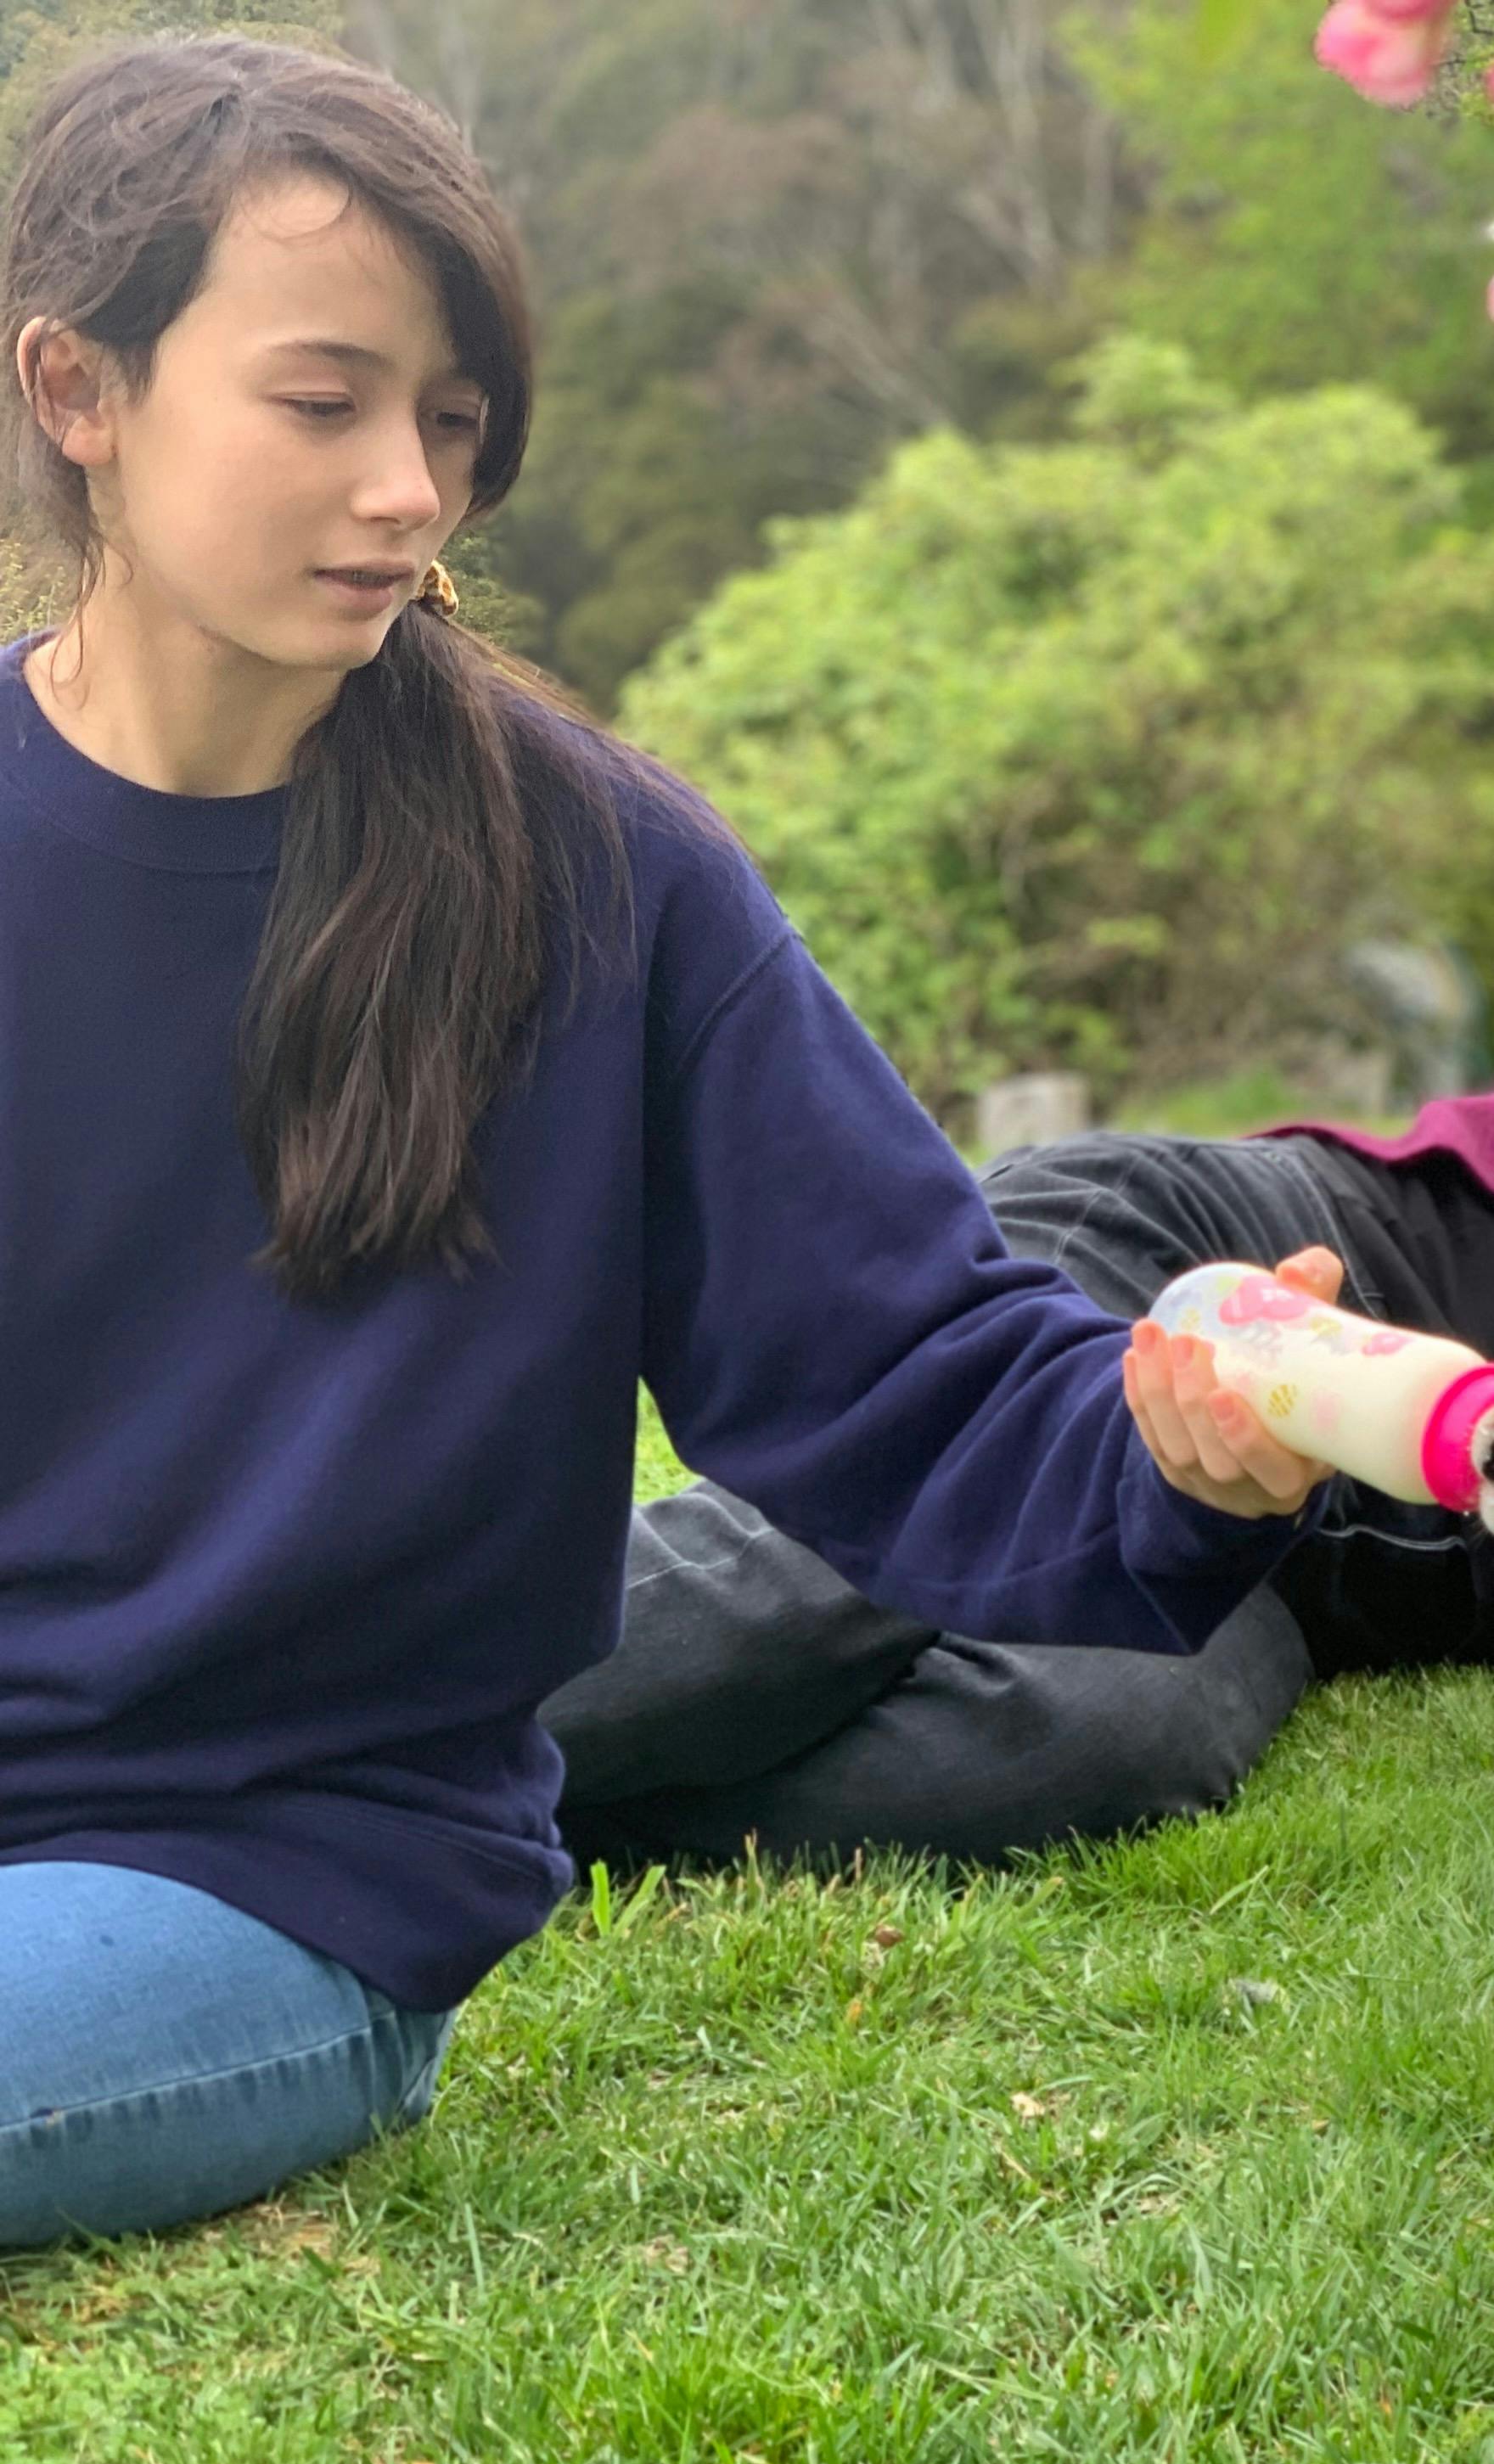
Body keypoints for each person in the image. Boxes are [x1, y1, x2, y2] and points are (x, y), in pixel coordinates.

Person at [0, 40, 1341, 2249]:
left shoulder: (598, 881)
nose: (411, 489)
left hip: (264, 1874)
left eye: (447, 419)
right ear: (82, 388)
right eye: (324, 403)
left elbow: (913, 1363)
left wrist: (1178, 1446)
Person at [536, 799, 1494, 1867]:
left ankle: (460, 1812)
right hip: (1196, 1271)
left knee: (1090, 1749)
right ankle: (344, 1700)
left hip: (1291, 1548)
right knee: (857, 1574)